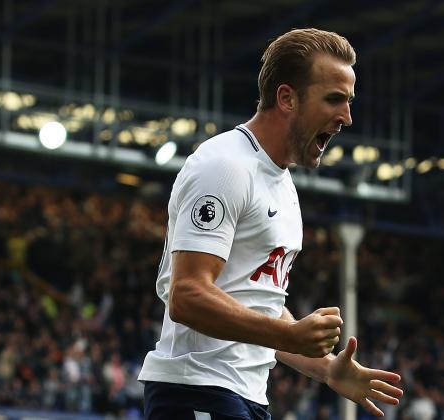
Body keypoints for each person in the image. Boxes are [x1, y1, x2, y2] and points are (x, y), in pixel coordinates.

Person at [138, 28, 404, 419]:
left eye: (349, 102)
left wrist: (326, 367)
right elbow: (187, 295)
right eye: (334, 99)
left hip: (243, 394)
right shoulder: (225, 166)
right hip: (195, 389)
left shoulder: (282, 185)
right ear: (286, 98)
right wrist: (289, 334)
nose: (346, 117)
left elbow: (258, 304)